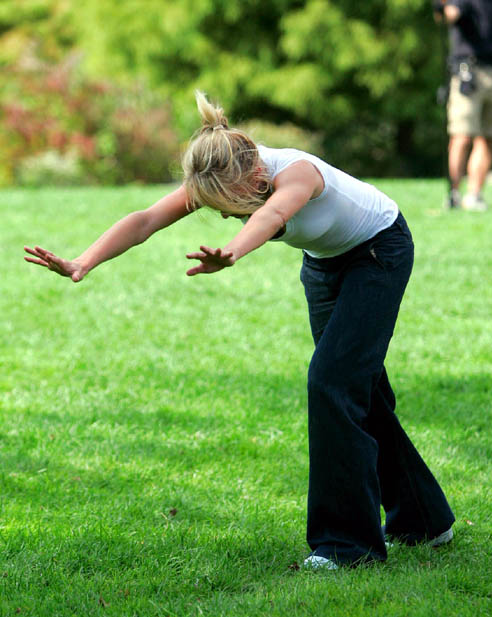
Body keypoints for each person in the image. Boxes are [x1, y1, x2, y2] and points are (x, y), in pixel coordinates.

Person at [24, 92, 455, 569]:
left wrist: (232, 252)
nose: (230, 215)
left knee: (333, 383)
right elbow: (146, 220)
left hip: (378, 254)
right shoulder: (223, 172)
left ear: (254, 177)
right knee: (358, 391)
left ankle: (347, 547)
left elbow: (271, 215)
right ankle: (424, 522)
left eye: (231, 207)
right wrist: (84, 261)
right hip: (325, 267)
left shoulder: (296, 174)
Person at [434, 0, 492, 211]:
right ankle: (454, 193)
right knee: (462, 135)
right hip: (468, 71)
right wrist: (441, 8)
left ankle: (474, 195)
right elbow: (448, 15)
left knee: (488, 137)